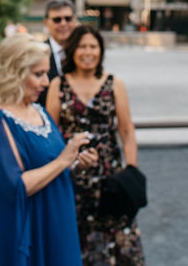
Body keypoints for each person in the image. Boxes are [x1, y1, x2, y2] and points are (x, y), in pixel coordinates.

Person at [0, 34, 98, 266]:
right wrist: (63, 160)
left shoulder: (40, 112)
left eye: (46, 74)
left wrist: (76, 163)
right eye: (38, 74)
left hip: (58, 222)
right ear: (15, 73)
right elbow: (16, 186)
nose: (46, 82)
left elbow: (51, 168)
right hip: (31, 228)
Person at [46, 25, 146, 265]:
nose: (88, 52)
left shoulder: (114, 84)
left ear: (101, 50)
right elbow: (50, 133)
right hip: (73, 177)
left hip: (110, 177)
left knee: (118, 242)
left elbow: (126, 130)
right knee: (76, 240)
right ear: (72, 51)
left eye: (93, 46)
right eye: (82, 46)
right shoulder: (58, 85)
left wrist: (131, 170)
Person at [37, 0, 78, 102]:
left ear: (75, 19)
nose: (63, 24)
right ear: (46, 23)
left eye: (68, 19)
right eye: (57, 20)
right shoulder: (37, 54)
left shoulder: (86, 53)